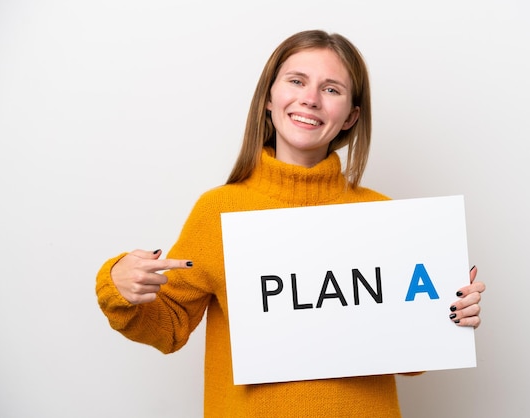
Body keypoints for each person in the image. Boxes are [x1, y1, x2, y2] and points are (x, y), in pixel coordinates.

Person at [96, 29, 486, 417]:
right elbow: (169, 327)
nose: (310, 99)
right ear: (269, 97)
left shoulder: (383, 216)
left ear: (351, 116)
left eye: (332, 89)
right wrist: (120, 285)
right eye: (297, 81)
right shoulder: (218, 210)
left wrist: (448, 314)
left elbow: (410, 357)